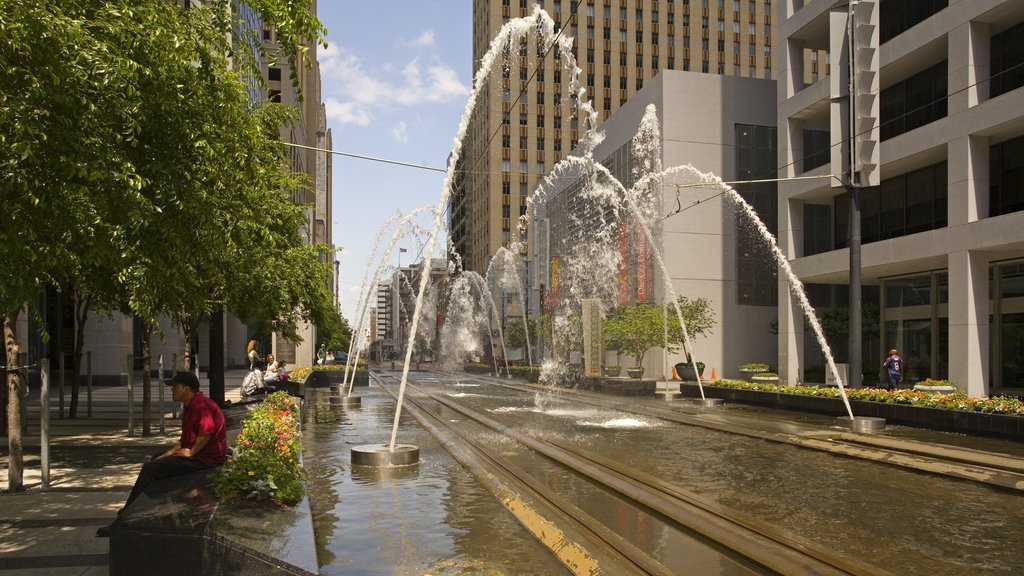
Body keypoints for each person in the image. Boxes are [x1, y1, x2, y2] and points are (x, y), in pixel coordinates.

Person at [96, 371, 227, 537]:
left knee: (150, 469)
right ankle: (136, 509)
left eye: (175, 387)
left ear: (186, 388)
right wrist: (167, 454)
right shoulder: (191, 405)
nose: (172, 390)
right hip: (200, 456)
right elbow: (185, 440)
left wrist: (191, 452)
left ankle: (124, 520)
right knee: (155, 461)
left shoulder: (199, 406)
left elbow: (207, 432)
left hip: (205, 460)